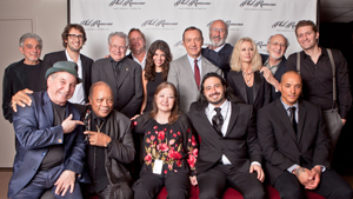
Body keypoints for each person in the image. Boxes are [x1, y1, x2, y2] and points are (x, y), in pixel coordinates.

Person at [257, 71, 353, 199]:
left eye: (297, 86)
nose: (293, 91)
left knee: (344, 191)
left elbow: (323, 142)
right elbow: (268, 150)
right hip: (282, 167)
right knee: (292, 194)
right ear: (279, 87)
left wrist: (317, 168)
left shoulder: (314, 110)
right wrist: (297, 170)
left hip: (311, 164)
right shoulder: (266, 113)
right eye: (288, 86)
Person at [8, 61, 86, 199]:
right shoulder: (27, 102)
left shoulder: (76, 111)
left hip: (60, 171)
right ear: (50, 80)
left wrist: (71, 170)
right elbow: (27, 139)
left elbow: (79, 145)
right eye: (63, 82)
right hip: (32, 174)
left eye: (72, 85)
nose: (67, 89)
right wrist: (61, 130)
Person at [188, 72, 265, 199]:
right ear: (203, 92)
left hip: (240, 166)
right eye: (208, 88)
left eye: (217, 86)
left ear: (224, 87)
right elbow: (187, 139)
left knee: (257, 194)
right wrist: (192, 170)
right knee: (207, 196)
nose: (213, 91)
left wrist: (256, 162)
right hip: (210, 167)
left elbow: (253, 141)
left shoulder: (245, 110)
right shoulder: (195, 110)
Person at [286, 20, 352, 148]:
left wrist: (343, 117)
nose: (304, 38)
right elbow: (288, 90)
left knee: (326, 155)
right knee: (305, 153)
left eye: (308, 33)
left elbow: (344, 87)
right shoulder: (294, 59)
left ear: (317, 35)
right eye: (300, 35)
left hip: (331, 114)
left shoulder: (335, 56)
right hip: (304, 115)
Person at [132, 82, 198, 199]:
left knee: (177, 195)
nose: (165, 100)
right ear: (156, 98)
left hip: (176, 169)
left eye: (170, 97)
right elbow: (125, 127)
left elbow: (191, 146)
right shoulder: (146, 119)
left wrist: (193, 172)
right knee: (141, 192)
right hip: (151, 169)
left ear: (175, 100)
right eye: (162, 96)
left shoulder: (182, 120)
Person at [83, 81, 135, 199]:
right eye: (100, 100)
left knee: (124, 194)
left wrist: (108, 142)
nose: (105, 105)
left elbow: (130, 155)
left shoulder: (123, 121)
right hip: (83, 180)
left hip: (110, 181)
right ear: (90, 100)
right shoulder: (81, 116)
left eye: (110, 100)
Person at [168, 26, 222, 113]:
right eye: (189, 40)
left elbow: (221, 97)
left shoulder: (214, 67)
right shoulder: (175, 66)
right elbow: (170, 96)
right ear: (184, 43)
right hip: (183, 118)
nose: (193, 44)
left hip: (209, 119)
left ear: (202, 41)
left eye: (196, 39)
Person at [91, 32, 143, 118]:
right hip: (103, 115)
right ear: (109, 47)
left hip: (127, 117)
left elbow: (138, 95)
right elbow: (94, 92)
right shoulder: (97, 65)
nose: (118, 50)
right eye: (114, 46)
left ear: (126, 48)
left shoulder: (136, 67)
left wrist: (121, 116)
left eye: (121, 47)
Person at [41, 24, 93, 105]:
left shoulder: (89, 62)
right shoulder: (51, 59)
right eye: (72, 36)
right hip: (58, 107)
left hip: (82, 108)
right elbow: (44, 85)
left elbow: (90, 86)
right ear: (65, 39)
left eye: (80, 36)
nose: (76, 39)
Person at [2, 33, 45, 122]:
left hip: (48, 123)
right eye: (29, 47)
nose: (34, 50)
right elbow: (7, 105)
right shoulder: (12, 70)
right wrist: (19, 119)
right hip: (24, 124)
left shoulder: (48, 68)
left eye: (38, 47)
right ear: (21, 50)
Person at [227, 37, 271, 111]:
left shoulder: (262, 72)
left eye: (251, 49)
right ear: (238, 53)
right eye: (243, 50)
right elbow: (231, 101)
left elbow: (267, 98)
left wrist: (264, 118)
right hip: (240, 118)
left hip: (261, 117)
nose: (247, 53)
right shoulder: (231, 75)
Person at [140, 40, 172, 114]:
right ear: (151, 56)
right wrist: (141, 112)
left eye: (162, 55)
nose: (159, 58)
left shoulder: (171, 72)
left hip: (165, 113)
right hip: (148, 112)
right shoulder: (145, 72)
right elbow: (145, 96)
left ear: (166, 57)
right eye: (156, 54)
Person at [260, 34, 288, 100]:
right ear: (268, 46)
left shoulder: (290, 67)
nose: (278, 48)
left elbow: (291, 94)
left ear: (285, 49)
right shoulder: (258, 58)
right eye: (275, 44)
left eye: (282, 45)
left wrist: (274, 81)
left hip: (275, 108)